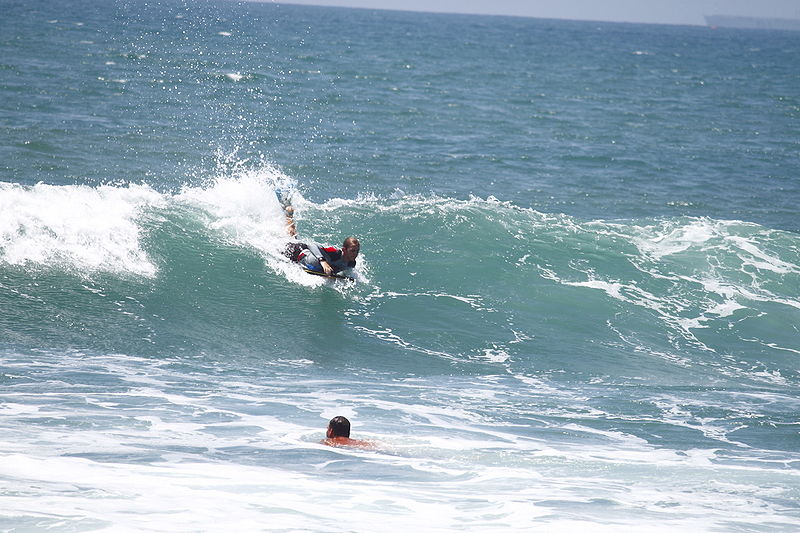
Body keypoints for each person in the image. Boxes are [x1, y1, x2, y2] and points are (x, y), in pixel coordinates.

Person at [281, 202, 360, 276]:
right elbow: (312, 245)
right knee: (289, 237)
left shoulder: (351, 263)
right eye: (352, 251)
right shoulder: (335, 253)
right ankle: (289, 213)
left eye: (357, 251)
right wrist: (323, 261)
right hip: (297, 251)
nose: (355, 254)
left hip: (306, 260)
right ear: (344, 250)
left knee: (293, 236)